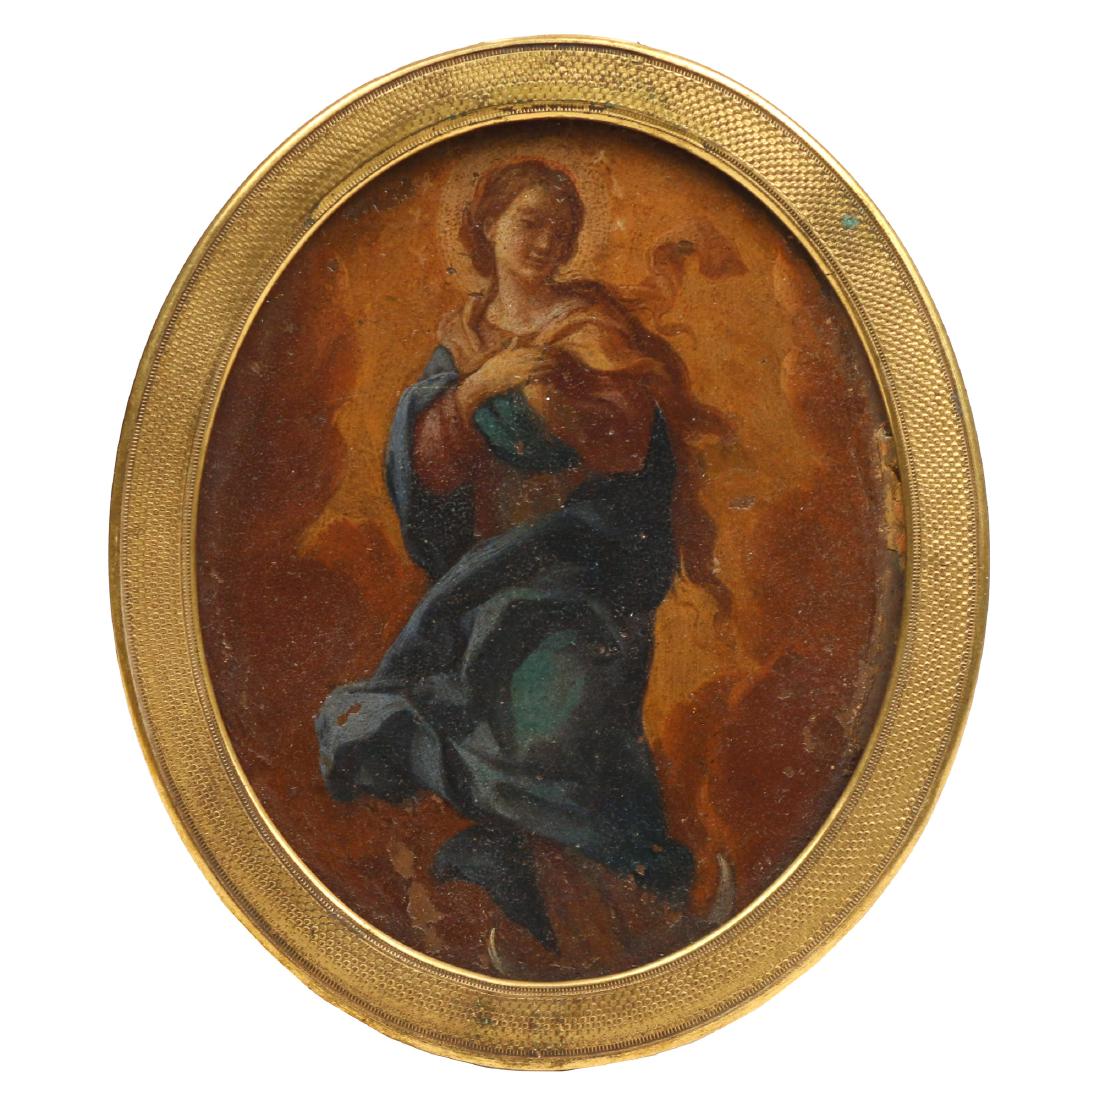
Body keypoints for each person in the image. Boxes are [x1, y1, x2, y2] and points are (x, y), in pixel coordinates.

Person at [315, 159, 731, 951]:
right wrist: (478, 390)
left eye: (559, 229)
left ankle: (601, 915)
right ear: (488, 229)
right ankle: (532, 897)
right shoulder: (462, 341)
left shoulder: (591, 330)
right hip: (481, 582)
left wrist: (554, 400)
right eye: (529, 223)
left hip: (580, 579)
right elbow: (426, 469)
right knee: (488, 729)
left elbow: (630, 447)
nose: (545, 242)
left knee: (555, 740)